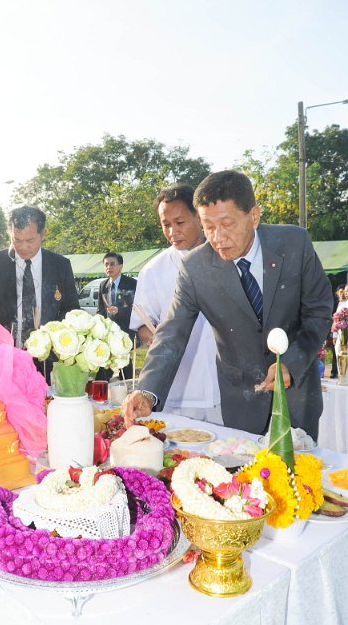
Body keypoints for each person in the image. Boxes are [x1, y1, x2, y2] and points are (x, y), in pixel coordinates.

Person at [123, 169, 333, 440]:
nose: (218, 237)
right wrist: (147, 390)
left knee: (300, 475)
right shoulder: (195, 267)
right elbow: (171, 334)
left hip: (298, 393)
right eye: (208, 227)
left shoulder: (294, 243)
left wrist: (291, 362)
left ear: (254, 216)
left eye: (227, 224)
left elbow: (318, 312)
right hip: (240, 400)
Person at [130, 183, 221, 422]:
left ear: (199, 218)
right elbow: (142, 322)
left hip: (223, 388)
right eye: (166, 225)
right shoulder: (153, 270)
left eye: (180, 223)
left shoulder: (225, 257)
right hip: (176, 388)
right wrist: (151, 336)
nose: (173, 232)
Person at [0, 205, 79, 351]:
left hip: (47, 355)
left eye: (30, 240)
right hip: (4, 354)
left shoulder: (60, 265)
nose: (23, 247)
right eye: (17, 240)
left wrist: (54, 336)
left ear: (43, 234)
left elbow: (72, 308)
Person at [97, 252, 137, 379]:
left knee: (124, 363)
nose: (109, 267)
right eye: (106, 265)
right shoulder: (103, 285)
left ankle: (129, 388)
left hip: (125, 329)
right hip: (108, 331)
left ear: (121, 266)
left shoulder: (131, 284)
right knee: (104, 363)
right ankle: (102, 386)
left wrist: (119, 311)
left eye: (112, 264)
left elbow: (136, 309)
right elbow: (100, 310)